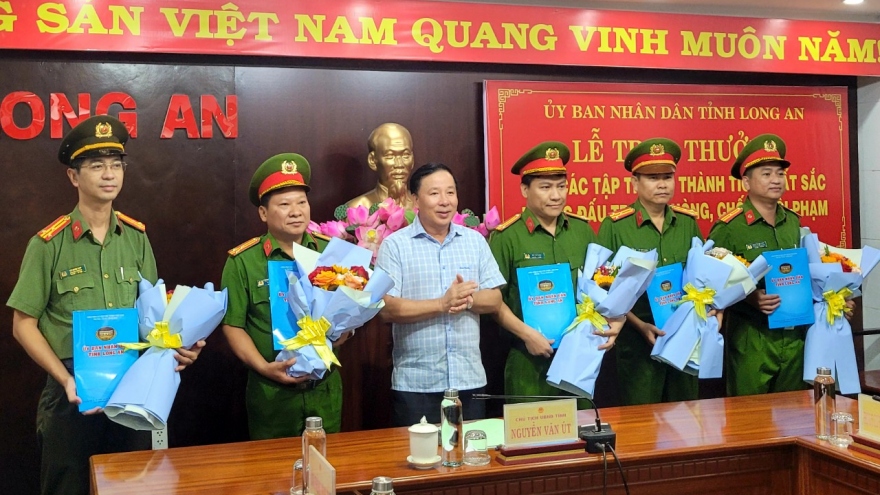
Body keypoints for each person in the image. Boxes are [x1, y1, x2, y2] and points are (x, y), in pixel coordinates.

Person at [7, 115, 203, 495]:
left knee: (131, 486)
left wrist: (178, 346)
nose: (109, 174)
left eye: (116, 165)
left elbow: (152, 317)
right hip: (70, 390)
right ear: (73, 176)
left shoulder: (136, 238)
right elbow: (22, 324)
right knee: (69, 487)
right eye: (96, 166)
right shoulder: (48, 244)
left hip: (132, 387)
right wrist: (65, 379)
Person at [220, 153, 342, 439]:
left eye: (302, 202)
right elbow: (233, 325)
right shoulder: (243, 261)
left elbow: (349, 310)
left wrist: (343, 332)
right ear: (263, 213)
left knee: (327, 463)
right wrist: (264, 368)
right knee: (272, 467)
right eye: (284, 205)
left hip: (324, 387)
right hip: (271, 393)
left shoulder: (331, 253)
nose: (296, 212)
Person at [489, 141, 622, 404]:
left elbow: (604, 283)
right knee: (532, 428)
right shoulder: (506, 237)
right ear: (525, 189)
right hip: (529, 359)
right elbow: (493, 301)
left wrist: (617, 321)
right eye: (545, 187)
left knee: (581, 427)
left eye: (561, 186)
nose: (556, 196)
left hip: (580, 357)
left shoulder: (583, 231)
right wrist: (527, 335)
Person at [376, 162, 504, 426]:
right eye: (434, 193)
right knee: (418, 452)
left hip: (469, 380)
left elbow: (494, 299)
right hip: (416, 385)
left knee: (470, 452)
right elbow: (386, 308)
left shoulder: (475, 241)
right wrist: (442, 303)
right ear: (415, 199)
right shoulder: (395, 246)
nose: (445, 201)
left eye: (450, 192)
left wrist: (466, 300)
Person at [597, 138, 703, 405]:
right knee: (642, 419)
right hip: (637, 342)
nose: (662, 184)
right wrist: (639, 324)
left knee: (687, 416)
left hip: (683, 340)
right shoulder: (615, 226)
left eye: (667, 177)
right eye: (653, 178)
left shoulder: (687, 223)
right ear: (635, 183)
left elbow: (702, 278)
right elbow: (603, 288)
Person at [708, 133, 807, 396]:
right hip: (752, 335)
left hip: (794, 333)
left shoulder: (793, 222)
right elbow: (709, 284)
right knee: (750, 413)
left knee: (793, 410)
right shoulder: (730, 227)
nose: (776, 180)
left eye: (780, 173)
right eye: (766, 174)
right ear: (746, 182)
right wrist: (750, 297)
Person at [345, 123, 416, 209]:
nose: (399, 164)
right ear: (372, 160)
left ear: (412, 159)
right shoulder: (357, 208)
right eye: (390, 155)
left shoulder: (422, 204)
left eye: (405, 155)